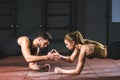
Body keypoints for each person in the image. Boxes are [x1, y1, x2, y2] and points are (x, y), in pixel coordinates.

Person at [51, 31, 120, 75]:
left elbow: (77, 72)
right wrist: (59, 56)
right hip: (114, 46)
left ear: (73, 42)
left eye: (67, 44)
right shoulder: (80, 44)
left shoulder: (84, 49)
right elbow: (71, 59)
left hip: (115, 51)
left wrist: (61, 71)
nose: (66, 47)